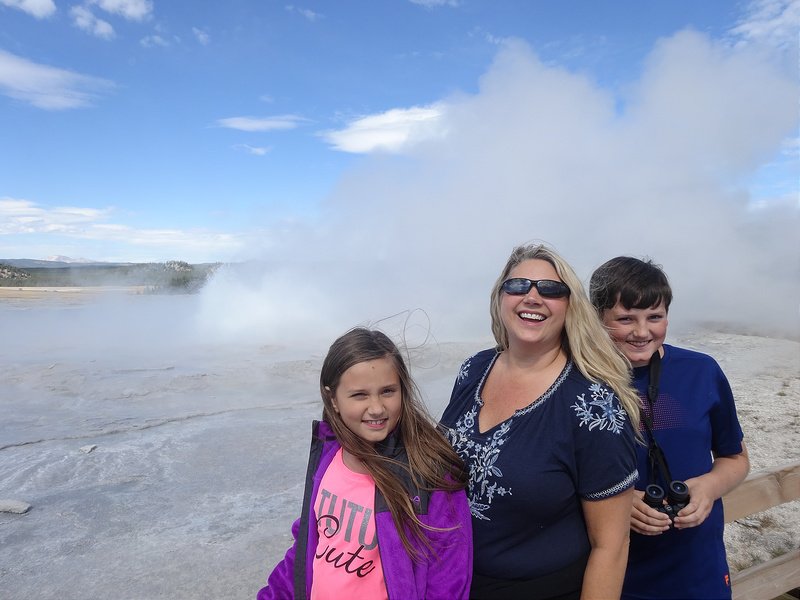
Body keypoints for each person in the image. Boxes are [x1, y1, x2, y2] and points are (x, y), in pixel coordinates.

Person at [440, 243, 640, 600]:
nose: (532, 297)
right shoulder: (473, 369)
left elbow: (612, 545)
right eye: (518, 286)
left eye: (551, 289)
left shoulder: (593, 406)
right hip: (453, 581)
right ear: (501, 298)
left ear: (570, 306)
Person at [257, 327, 473, 600]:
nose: (376, 408)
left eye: (387, 391)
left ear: (402, 391)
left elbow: (449, 576)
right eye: (359, 395)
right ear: (333, 398)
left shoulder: (428, 473)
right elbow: (307, 547)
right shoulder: (327, 457)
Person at [589, 256, 749, 600]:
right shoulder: (580, 380)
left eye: (655, 317)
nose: (642, 331)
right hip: (611, 576)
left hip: (696, 570)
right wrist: (615, 503)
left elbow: (735, 458)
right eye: (625, 318)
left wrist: (707, 486)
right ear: (596, 318)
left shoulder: (701, 371)